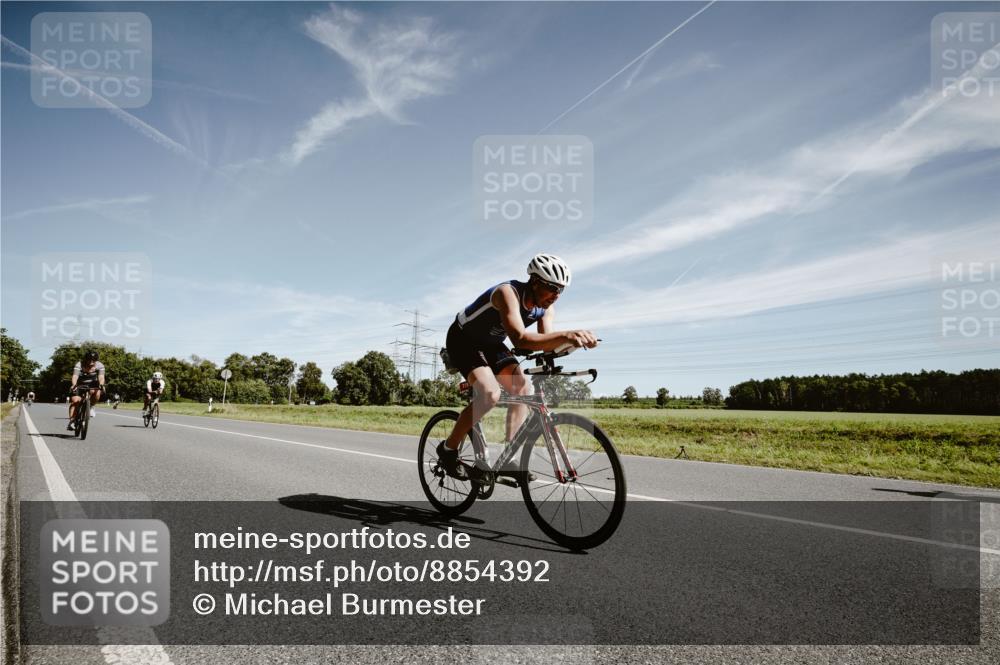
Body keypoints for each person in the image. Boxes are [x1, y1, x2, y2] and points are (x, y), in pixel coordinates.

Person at [438, 253, 597, 478]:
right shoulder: (507, 293)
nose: (556, 295)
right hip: (463, 339)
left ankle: (508, 460)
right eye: (551, 287)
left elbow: (546, 343)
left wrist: (573, 343)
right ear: (534, 282)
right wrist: (568, 335)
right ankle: (448, 450)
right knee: (489, 394)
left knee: (523, 388)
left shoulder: (545, 308)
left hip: (492, 343)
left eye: (561, 290)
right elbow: (520, 339)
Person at [67, 350, 105, 430]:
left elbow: (101, 377)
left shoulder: (100, 365)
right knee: (75, 401)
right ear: (85, 359)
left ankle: (90, 406)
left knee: (97, 391)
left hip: (92, 384)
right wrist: (74, 385)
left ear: (96, 360)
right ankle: (72, 421)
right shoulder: (79, 364)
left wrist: (101, 384)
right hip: (79, 384)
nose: (91, 362)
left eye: (93, 360)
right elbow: (75, 376)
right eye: (89, 360)